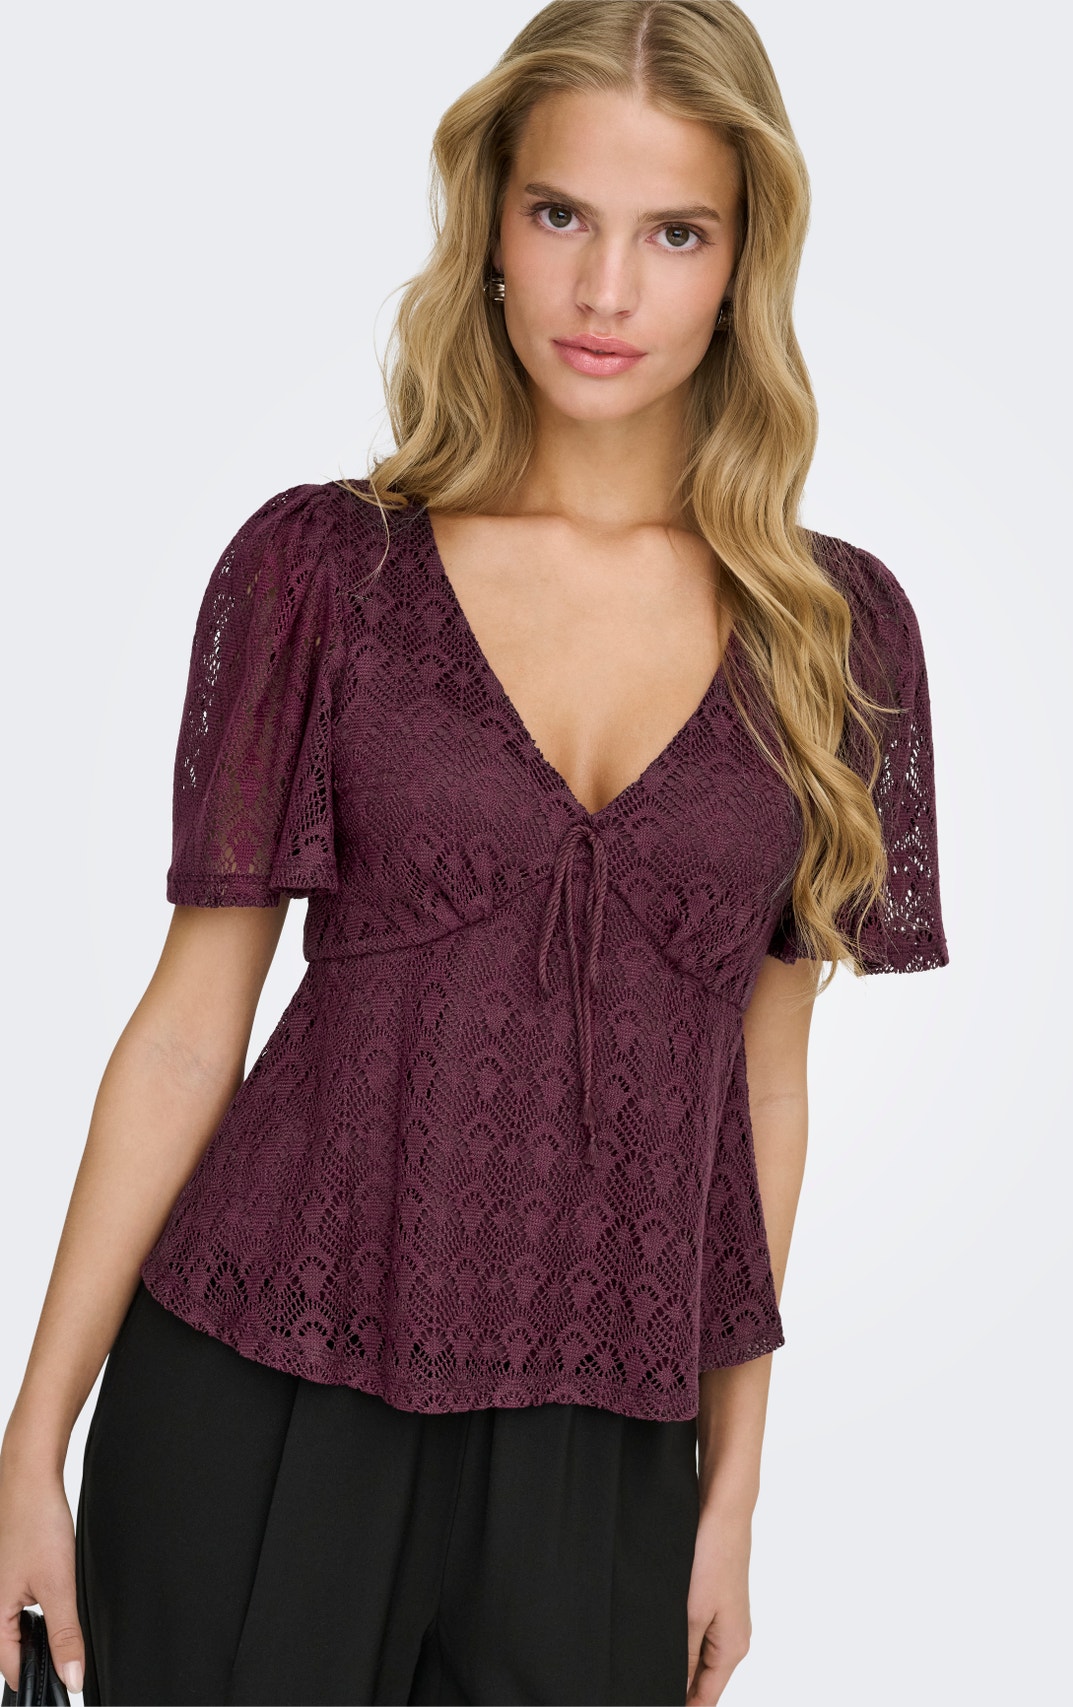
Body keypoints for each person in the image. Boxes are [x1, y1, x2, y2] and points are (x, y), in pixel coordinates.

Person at [0, 2, 948, 1703]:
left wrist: (732, 1492)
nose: (607, 289)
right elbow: (192, 1029)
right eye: (561, 213)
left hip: (609, 1437)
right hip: (258, 1389)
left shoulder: (834, 633)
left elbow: (766, 1086)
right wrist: (30, 1441)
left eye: (676, 233)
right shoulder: (324, 574)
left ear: (744, 264)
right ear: (491, 226)